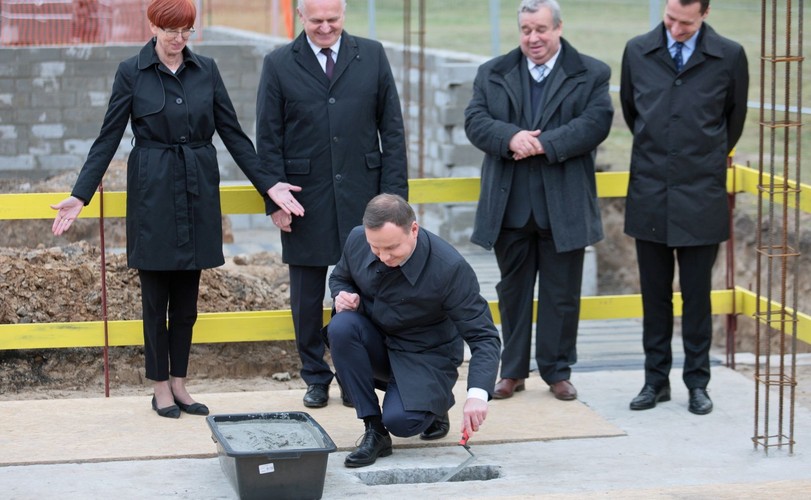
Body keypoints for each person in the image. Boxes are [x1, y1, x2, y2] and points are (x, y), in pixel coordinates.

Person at [50, 0, 300, 419]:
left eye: (185, 31)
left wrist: (269, 184)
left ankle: (181, 383)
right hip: (153, 192)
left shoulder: (207, 70)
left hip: (198, 190)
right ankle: (160, 387)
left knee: (187, 302)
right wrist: (81, 194)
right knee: (155, 299)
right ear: (153, 26)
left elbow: (235, 136)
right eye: (170, 30)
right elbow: (108, 137)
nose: (178, 39)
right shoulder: (132, 72)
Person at [256, 0, 408, 408]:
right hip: (303, 197)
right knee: (306, 297)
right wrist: (273, 198)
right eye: (317, 20)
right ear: (300, 18)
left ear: (344, 15)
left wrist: (395, 202)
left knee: (370, 288)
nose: (326, 28)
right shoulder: (278, 63)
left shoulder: (372, 55)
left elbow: (391, 130)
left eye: (333, 20)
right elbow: (267, 138)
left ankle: (358, 373)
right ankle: (315, 375)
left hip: (366, 195)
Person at [464, 0, 613, 401]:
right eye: (527, 30)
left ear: (559, 28)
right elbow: (475, 121)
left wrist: (543, 144)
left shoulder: (591, 73)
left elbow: (595, 124)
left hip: (563, 206)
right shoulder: (492, 72)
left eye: (542, 29)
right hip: (509, 206)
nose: (534, 38)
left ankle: (556, 370)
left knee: (561, 295)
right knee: (512, 293)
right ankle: (511, 370)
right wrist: (510, 137)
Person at [620, 0, 748, 415]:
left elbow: (734, 119)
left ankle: (697, 382)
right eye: (670, 19)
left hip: (701, 195)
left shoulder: (729, 56)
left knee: (698, 297)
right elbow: (631, 109)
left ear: (705, 15)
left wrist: (703, 159)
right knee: (654, 298)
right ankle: (654, 382)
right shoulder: (637, 51)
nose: (675, 28)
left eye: (686, 23)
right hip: (650, 193)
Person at [326, 194, 500, 467]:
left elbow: (484, 337)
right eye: (376, 248)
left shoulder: (450, 268)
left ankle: (436, 404)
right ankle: (374, 430)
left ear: (414, 230)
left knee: (403, 422)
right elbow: (340, 276)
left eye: (392, 248)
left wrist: (477, 395)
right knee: (341, 326)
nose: (383, 257)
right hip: (379, 342)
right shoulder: (358, 238)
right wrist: (342, 295)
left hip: (426, 354)